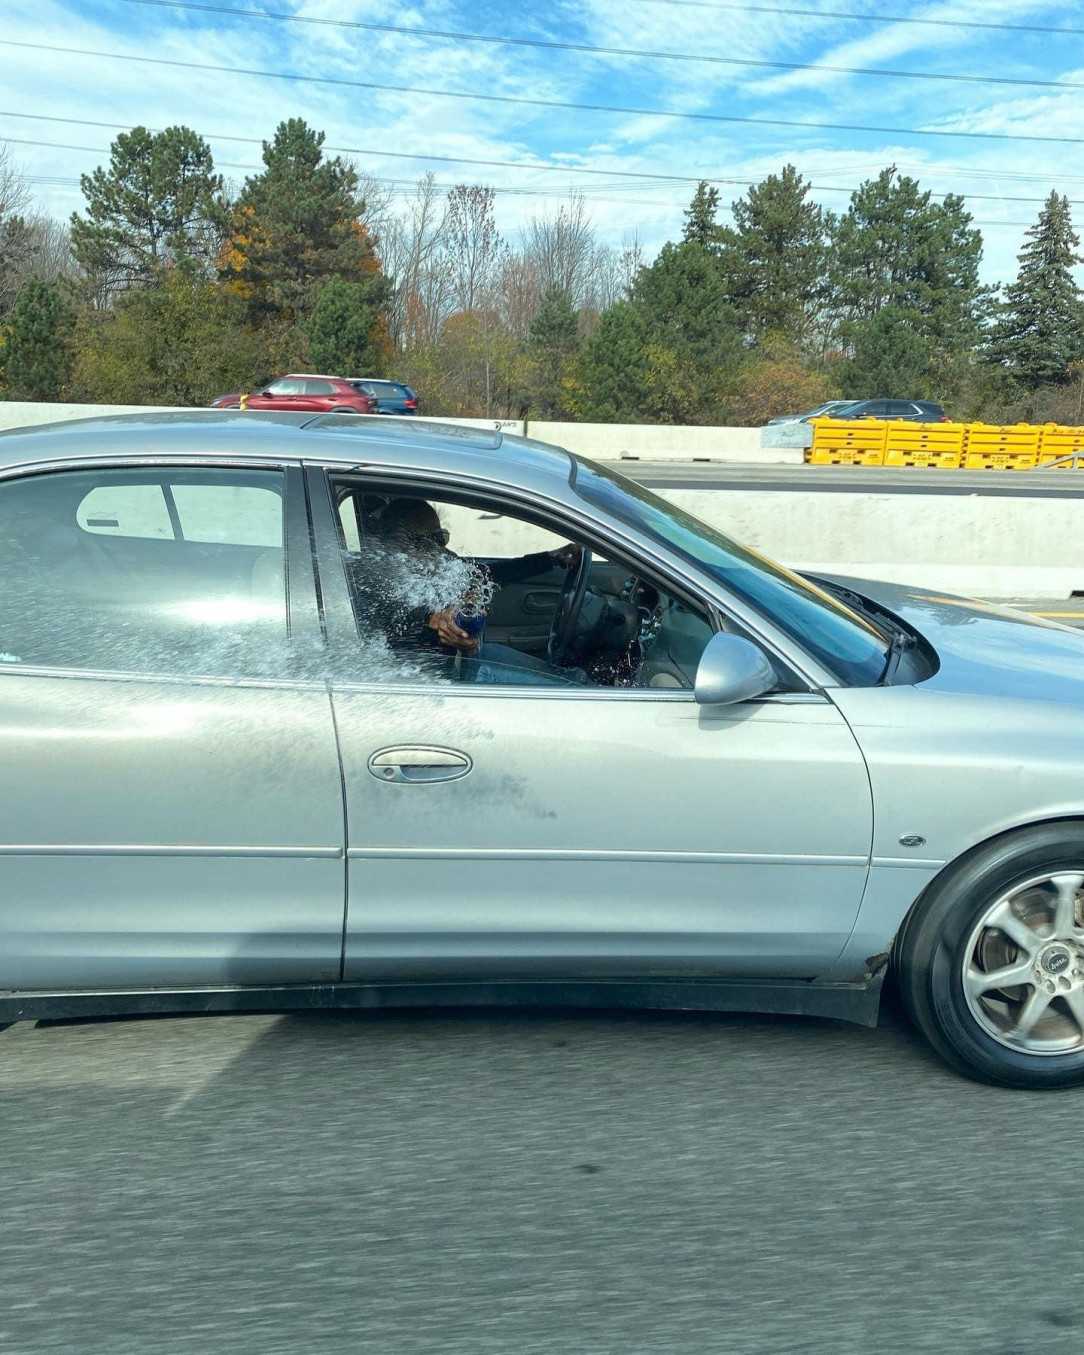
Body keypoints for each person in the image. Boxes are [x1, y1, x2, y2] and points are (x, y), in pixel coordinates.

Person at [346, 496, 587, 685]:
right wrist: (434, 619)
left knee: (570, 677)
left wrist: (549, 559)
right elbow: (395, 610)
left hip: (467, 663)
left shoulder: (440, 562)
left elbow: (487, 574)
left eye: (439, 537)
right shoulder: (377, 582)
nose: (435, 548)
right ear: (394, 546)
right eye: (420, 541)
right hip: (440, 685)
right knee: (573, 689)